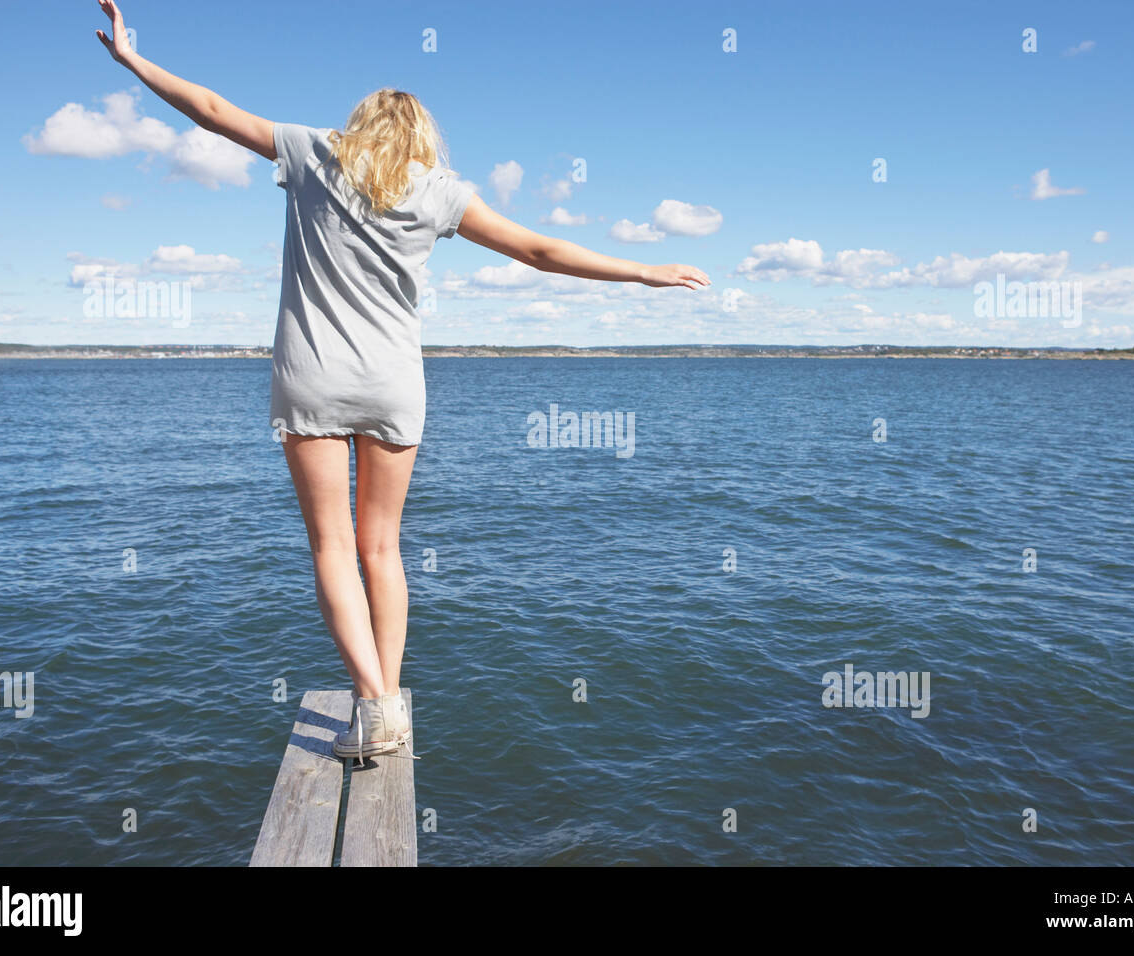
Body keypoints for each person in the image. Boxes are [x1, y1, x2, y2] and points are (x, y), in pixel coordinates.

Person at [94, 0, 710, 762]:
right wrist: (644, 270)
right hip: (393, 385)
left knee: (331, 547)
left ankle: (373, 700)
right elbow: (541, 251)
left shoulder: (314, 152)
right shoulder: (440, 191)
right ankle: (389, 701)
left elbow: (214, 112)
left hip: (310, 377)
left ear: (358, 126)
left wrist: (133, 61)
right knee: (381, 547)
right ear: (421, 136)